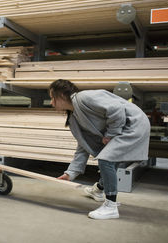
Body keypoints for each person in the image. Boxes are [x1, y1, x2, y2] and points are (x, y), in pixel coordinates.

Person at [49, 79, 150, 220]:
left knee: (106, 159)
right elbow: (83, 146)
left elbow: (116, 109)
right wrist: (71, 173)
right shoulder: (73, 117)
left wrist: (110, 134)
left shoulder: (84, 97)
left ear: (61, 95)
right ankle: (98, 190)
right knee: (110, 162)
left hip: (133, 124)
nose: (51, 103)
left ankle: (110, 207)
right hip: (124, 127)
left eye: (52, 98)